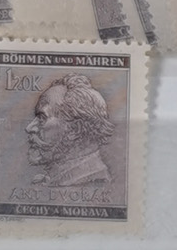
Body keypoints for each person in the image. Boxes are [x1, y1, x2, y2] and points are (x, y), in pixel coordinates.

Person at [23, 73, 112, 201]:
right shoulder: (53, 179)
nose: (29, 127)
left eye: (42, 118)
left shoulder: (93, 180)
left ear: (75, 129)